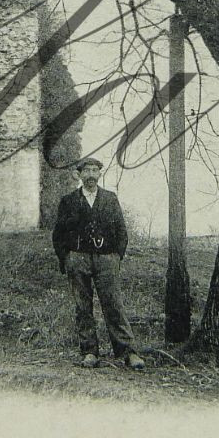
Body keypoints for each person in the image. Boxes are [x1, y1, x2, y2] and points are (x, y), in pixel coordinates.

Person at [51, 157, 145, 370]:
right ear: (80, 175)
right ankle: (90, 352)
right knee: (82, 306)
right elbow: (58, 234)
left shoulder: (110, 199)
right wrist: (66, 258)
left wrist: (116, 257)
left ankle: (128, 352)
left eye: (95, 171)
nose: (91, 175)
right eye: (87, 171)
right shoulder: (69, 201)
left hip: (106, 259)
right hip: (78, 258)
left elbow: (122, 230)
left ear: (100, 174)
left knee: (113, 304)